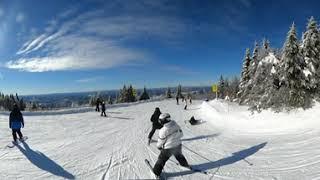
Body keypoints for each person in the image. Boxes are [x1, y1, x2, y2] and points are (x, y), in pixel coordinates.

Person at [153, 113, 190, 177]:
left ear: (163, 121)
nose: (159, 122)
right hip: (178, 145)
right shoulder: (175, 124)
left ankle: (156, 172)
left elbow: (160, 142)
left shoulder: (163, 130)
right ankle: (185, 164)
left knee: (162, 159)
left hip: (168, 148)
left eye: (160, 120)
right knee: (179, 155)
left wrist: (158, 146)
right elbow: (181, 134)